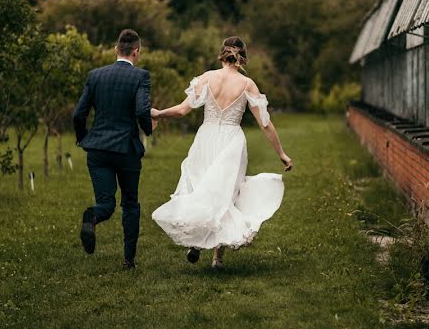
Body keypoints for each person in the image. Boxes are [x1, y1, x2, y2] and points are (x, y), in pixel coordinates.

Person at [150, 36, 292, 268]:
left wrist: (158, 113)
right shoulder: (247, 85)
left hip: (206, 137)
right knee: (226, 193)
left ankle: (196, 244)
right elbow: (265, 124)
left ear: (222, 54)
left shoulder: (207, 78)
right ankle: (217, 258)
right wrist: (281, 153)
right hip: (231, 141)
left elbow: (183, 110)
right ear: (243, 57)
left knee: (201, 186)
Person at [72, 29, 156, 270]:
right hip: (126, 150)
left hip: (97, 149)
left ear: (115, 50)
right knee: (130, 203)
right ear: (136, 52)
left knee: (106, 203)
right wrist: (149, 129)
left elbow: (78, 114)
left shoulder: (95, 75)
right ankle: (129, 260)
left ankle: (93, 217)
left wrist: (84, 139)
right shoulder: (141, 76)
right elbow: (142, 111)